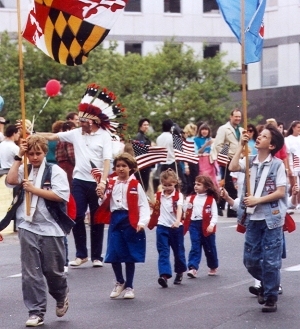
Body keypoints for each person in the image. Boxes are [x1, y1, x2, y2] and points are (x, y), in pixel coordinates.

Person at [37, 86, 113, 268]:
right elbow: (53, 136)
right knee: (77, 215)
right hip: (79, 180)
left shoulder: (104, 136)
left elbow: (107, 160)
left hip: (97, 182)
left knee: (96, 218)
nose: (80, 122)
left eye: (83, 120)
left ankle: (96, 256)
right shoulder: (75, 133)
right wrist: (34, 134)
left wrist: (103, 181)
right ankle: (81, 255)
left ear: (93, 121)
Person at [5, 135, 70, 327]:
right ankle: (36, 311)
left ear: (44, 152)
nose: (34, 157)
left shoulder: (55, 171)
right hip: (28, 226)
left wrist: (34, 189)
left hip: (51, 227)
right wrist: (19, 157)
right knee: (30, 272)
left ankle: (61, 293)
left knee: (53, 271)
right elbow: (10, 180)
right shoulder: (25, 169)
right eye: (30, 154)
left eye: (38, 153)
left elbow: (59, 195)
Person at [229, 124, 287, 313]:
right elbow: (233, 166)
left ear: (271, 145)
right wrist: (240, 146)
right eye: (259, 135)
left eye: (263, 136)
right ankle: (268, 283)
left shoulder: (277, 165)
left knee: (271, 260)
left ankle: (270, 296)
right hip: (252, 219)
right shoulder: (250, 161)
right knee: (251, 260)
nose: (259, 138)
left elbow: (280, 192)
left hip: (272, 219)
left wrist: (258, 199)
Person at [94, 153, 150, 299]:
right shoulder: (111, 183)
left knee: (129, 255)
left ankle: (130, 286)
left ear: (131, 168)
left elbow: (143, 205)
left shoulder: (135, 185)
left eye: (124, 166)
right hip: (116, 219)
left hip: (130, 219)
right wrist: (101, 196)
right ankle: (120, 281)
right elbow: (106, 203)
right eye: (118, 166)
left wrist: (142, 222)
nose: (120, 169)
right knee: (114, 253)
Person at [148, 168, 186, 287]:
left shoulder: (178, 195)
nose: (167, 187)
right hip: (162, 226)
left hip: (176, 227)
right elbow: (155, 207)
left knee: (178, 252)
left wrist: (178, 220)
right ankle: (164, 275)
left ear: (175, 183)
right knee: (163, 251)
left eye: (170, 185)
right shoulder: (159, 195)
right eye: (165, 185)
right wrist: (151, 205)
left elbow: (179, 209)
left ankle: (179, 271)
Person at [183, 175, 219, 278]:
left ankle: (213, 266)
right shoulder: (191, 198)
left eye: (199, 184)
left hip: (206, 225)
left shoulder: (211, 200)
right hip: (194, 225)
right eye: (195, 184)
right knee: (195, 246)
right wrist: (185, 204)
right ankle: (193, 267)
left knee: (209, 248)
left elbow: (215, 214)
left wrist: (212, 225)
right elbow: (185, 211)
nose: (196, 186)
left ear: (206, 187)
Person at [210, 109, 243, 217]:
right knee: (229, 185)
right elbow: (218, 145)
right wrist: (227, 156)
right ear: (231, 117)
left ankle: (231, 209)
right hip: (227, 160)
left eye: (239, 117)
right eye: (235, 116)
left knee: (235, 185)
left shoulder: (241, 130)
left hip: (238, 160)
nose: (237, 118)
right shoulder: (224, 129)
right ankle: (226, 208)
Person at [156, 119, 187, 195]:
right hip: (173, 162)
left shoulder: (159, 138)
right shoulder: (173, 137)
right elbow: (180, 150)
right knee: (181, 183)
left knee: (165, 183)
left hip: (163, 164)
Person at [194, 123, 218, 188]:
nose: (204, 131)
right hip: (202, 160)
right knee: (203, 177)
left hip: (210, 160)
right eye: (203, 129)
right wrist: (206, 145)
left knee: (212, 178)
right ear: (200, 131)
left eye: (206, 129)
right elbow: (198, 151)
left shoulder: (211, 139)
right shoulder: (196, 139)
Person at [134, 118, 152, 191]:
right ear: (140, 126)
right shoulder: (139, 137)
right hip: (143, 165)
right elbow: (140, 151)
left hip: (145, 164)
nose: (146, 126)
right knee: (143, 185)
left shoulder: (143, 136)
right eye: (144, 125)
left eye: (147, 125)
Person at [183, 123, 198, 195]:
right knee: (190, 182)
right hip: (190, 162)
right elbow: (185, 154)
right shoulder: (186, 140)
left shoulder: (194, 139)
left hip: (195, 161)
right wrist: (186, 166)